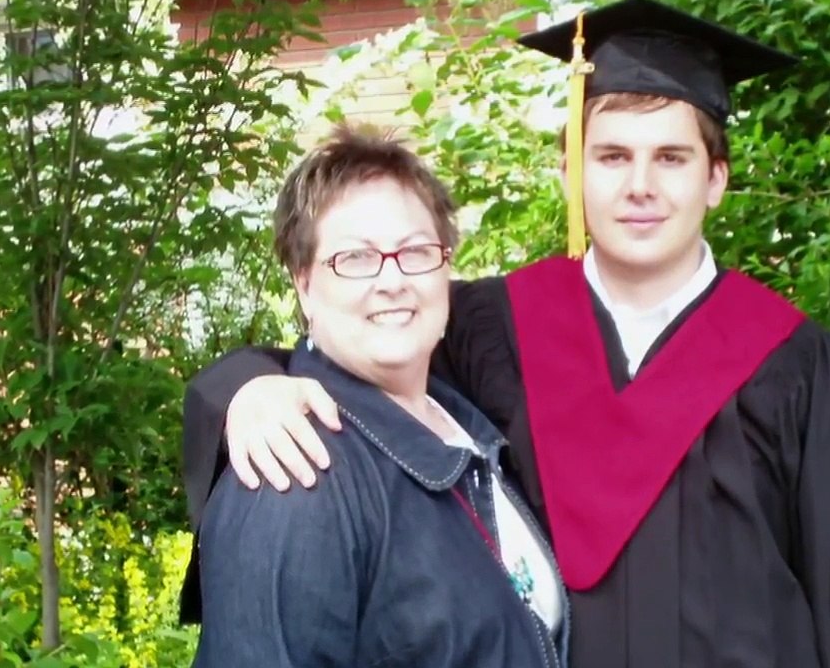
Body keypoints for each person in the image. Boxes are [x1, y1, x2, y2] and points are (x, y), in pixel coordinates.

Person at [180, 0, 830, 668]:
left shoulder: (800, 369)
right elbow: (358, 345)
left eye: (671, 158)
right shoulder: (492, 328)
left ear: (716, 179)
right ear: (572, 172)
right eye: (612, 156)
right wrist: (247, 387)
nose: (640, 186)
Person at [188, 125, 569, 668]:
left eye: (415, 251)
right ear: (303, 284)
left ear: (446, 266)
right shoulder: (295, 474)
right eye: (356, 258)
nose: (392, 281)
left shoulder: (465, 427)